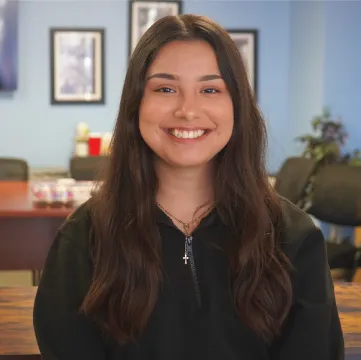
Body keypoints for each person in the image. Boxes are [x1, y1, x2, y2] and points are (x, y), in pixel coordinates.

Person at [33, 14, 344, 360]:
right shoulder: (82, 240)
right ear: (136, 104)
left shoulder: (294, 238)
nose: (187, 110)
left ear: (237, 107)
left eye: (210, 89)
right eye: (165, 88)